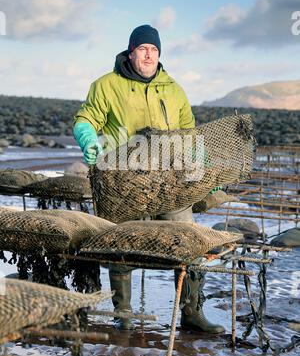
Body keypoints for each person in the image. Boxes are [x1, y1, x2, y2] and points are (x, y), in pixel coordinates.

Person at [73, 24, 225, 334]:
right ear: (130, 52)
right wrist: (87, 138)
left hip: (170, 182)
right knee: (121, 242)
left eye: (154, 50)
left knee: (188, 240)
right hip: (123, 183)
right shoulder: (106, 85)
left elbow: (190, 133)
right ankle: (123, 314)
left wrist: (206, 168)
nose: (148, 54)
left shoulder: (173, 88)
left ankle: (191, 312)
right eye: (143, 48)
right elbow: (86, 118)